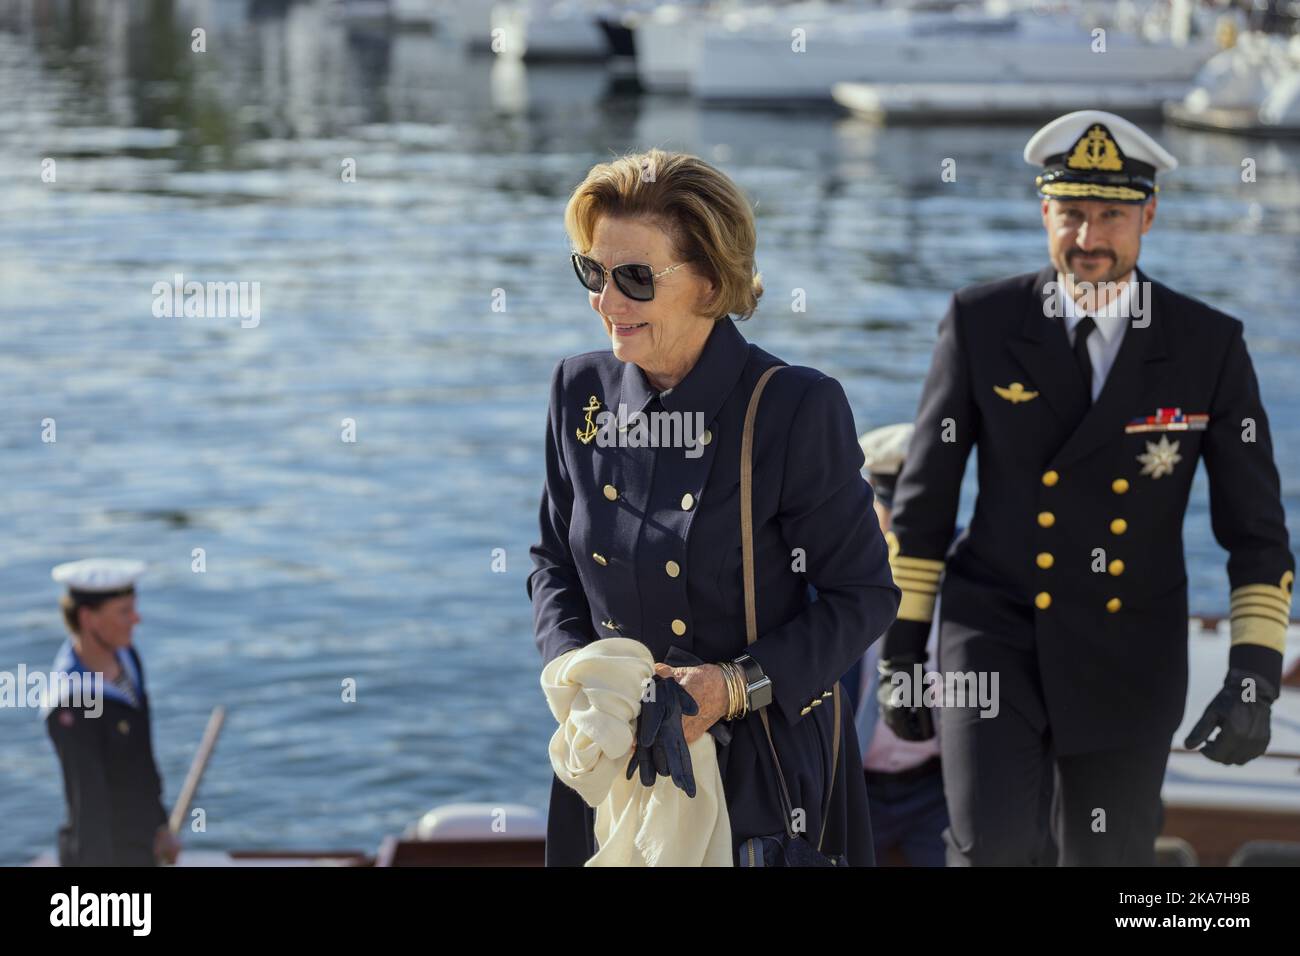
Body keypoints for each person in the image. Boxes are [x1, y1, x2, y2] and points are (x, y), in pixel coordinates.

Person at [877, 111, 1294, 866]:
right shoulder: (982, 321)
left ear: (1149, 215)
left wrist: (1255, 674)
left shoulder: (1207, 345)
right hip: (994, 631)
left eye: (1112, 215)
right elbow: (925, 505)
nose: (1089, 238)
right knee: (990, 849)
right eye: (1071, 214)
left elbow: (1257, 533)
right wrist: (902, 653)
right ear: (1045, 213)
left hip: (1130, 648)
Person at [528, 148, 900, 866]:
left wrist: (730, 687)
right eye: (591, 273)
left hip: (758, 772)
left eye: (635, 278)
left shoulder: (796, 408)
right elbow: (551, 560)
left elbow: (865, 598)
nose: (606, 301)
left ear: (709, 280)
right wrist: (578, 677)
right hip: (609, 762)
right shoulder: (578, 392)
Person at [44, 558, 179, 866]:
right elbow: (88, 805)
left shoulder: (126, 658)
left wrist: (160, 826)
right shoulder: (73, 704)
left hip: (141, 841)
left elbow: (142, 757)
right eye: (124, 612)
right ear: (88, 618)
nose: (136, 619)